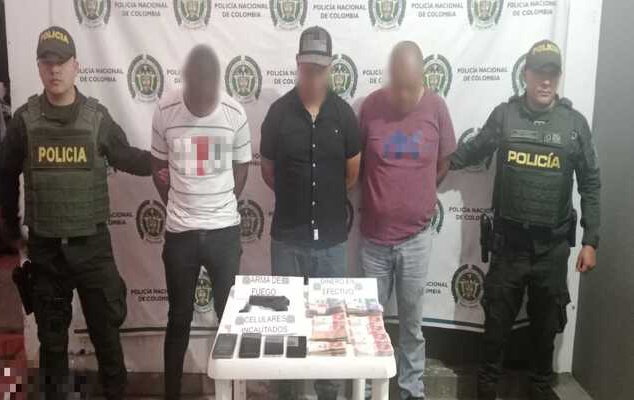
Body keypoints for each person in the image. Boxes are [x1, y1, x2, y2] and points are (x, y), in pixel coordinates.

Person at [0, 26, 152, 400]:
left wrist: (167, 161)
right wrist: (11, 227)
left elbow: (127, 157)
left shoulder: (96, 118)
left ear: (76, 66)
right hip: (47, 250)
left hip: (92, 247)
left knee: (106, 335)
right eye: (47, 62)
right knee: (52, 344)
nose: (55, 70)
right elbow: (4, 172)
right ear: (38, 67)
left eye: (61, 62)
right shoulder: (24, 121)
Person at [449, 40, 601, 400]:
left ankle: (538, 391)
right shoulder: (505, 116)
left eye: (552, 73)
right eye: (539, 72)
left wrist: (591, 240)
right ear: (526, 74)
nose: (545, 81)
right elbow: (474, 149)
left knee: (544, 337)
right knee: (495, 335)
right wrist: (434, 163)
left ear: (558, 77)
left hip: (552, 251)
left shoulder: (574, 125)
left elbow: (591, 183)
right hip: (509, 247)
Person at [259, 26, 361, 400]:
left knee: (328, 331)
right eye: (307, 68)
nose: (314, 75)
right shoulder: (277, 114)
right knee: (285, 328)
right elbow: (268, 172)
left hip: (331, 244)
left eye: (320, 68)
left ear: (330, 67)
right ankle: (285, 392)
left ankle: (328, 393)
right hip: (287, 241)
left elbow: (352, 174)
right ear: (297, 65)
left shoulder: (345, 116)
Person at [150, 45, 251, 400]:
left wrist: (219, 204)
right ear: (186, 83)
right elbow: (157, 166)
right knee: (178, 318)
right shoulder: (165, 111)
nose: (202, 103)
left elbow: (241, 169)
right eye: (196, 96)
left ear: (217, 85)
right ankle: (172, 395)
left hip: (224, 233)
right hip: (181, 234)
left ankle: (233, 393)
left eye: (209, 97)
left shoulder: (234, 113)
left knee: (230, 319)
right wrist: (180, 204)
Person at [358, 41, 456, 400]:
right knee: (369, 324)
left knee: (412, 324)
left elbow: (444, 161)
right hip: (373, 240)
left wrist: (419, 193)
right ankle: (367, 389)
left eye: (410, 88)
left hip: (416, 239)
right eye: (397, 86)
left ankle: (411, 390)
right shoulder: (370, 107)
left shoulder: (437, 108)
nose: (402, 95)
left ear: (423, 80)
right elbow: (356, 163)